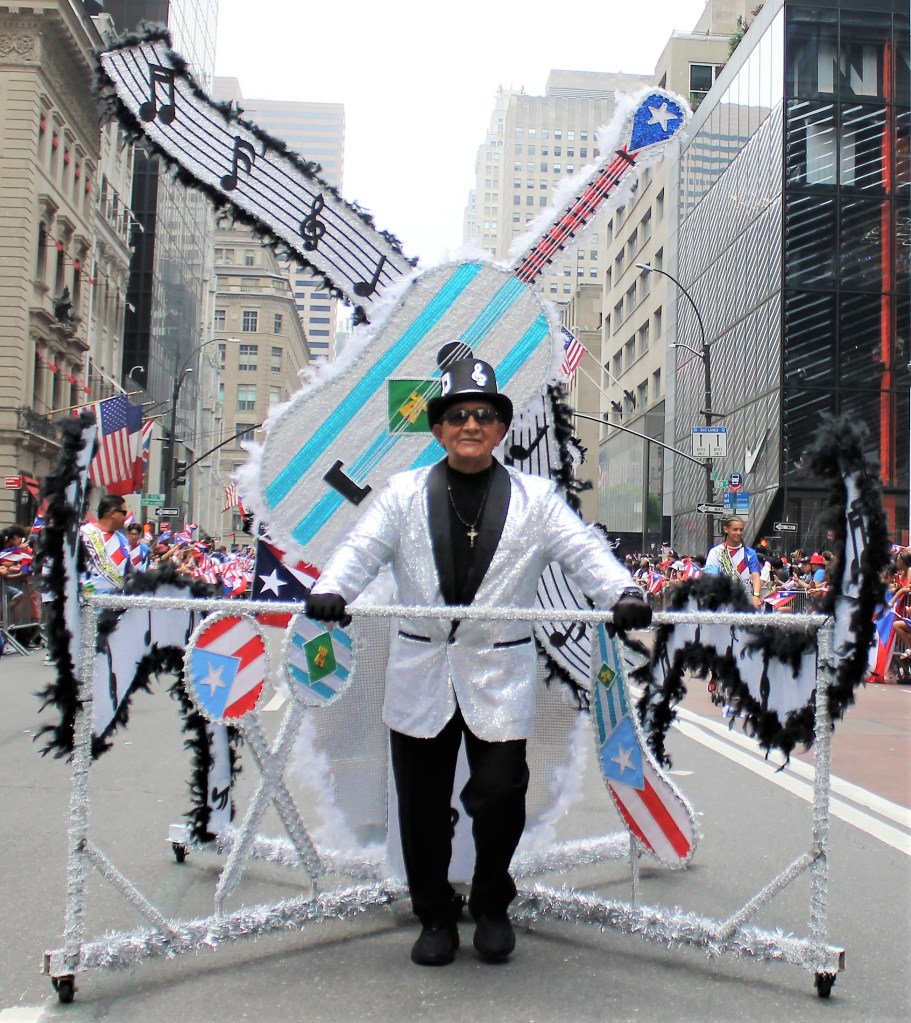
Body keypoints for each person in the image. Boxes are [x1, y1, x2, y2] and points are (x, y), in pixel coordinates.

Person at [305, 350, 651, 967]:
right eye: (459, 415)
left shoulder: (538, 498)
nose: (471, 425)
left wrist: (622, 592)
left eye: (485, 415)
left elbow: (583, 550)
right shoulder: (402, 493)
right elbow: (360, 548)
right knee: (420, 806)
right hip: (419, 676)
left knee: (499, 795)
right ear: (439, 428)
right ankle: (434, 914)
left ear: (500, 428)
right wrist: (333, 589)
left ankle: (492, 902)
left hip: (500, 675)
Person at [704, 515, 762, 607]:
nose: (738, 533)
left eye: (741, 530)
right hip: (722, 598)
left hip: (744, 597)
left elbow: (755, 576)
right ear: (726, 529)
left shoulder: (750, 553)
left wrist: (756, 595)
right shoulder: (716, 552)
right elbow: (712, 576)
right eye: (735, 530)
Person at [79, 495, 131, 595]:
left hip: (115, 601)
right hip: (87, 599)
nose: (126, 517)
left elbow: (127, 572)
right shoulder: (84, 533)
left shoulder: (123, 540)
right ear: (112, 512)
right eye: (124, 513)